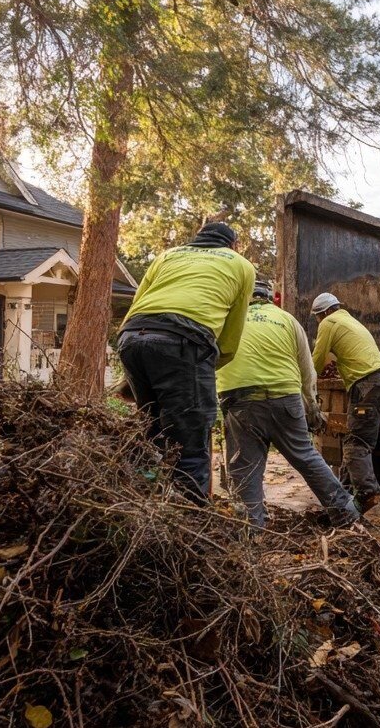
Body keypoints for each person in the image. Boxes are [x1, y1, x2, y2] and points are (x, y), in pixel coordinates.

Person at [118, 222, 255, 504]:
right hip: (184, 340)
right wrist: (206, 369)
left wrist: (132, 366)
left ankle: (142, 504)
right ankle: (191, 520)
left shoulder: (167, 255)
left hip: (131, 337)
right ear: (234, 245)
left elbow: (136, 305)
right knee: (190, 441)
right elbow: (231, 333)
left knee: (153, 430)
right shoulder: (241, 265)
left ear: (198, 238)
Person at [219, 281, 359, 529]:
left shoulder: (228, 319)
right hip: (286, 397)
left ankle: (251, 529)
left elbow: (213, 361)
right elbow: (307, 370)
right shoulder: (287, 320)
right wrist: (312, 408)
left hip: (241, 400)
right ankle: (346, 515)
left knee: (244, 467)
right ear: (269, 298)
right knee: (306, 456)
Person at [310, 292, 380, 512]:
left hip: (369, 383)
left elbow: (317, 359)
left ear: (323, 313)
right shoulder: (349, 320)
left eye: (317, 317)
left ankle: (367, 493)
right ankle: (345, 496)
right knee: (358, 438)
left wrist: (306, 382)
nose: (318, 321)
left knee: (356, 443)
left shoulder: (329, 322)